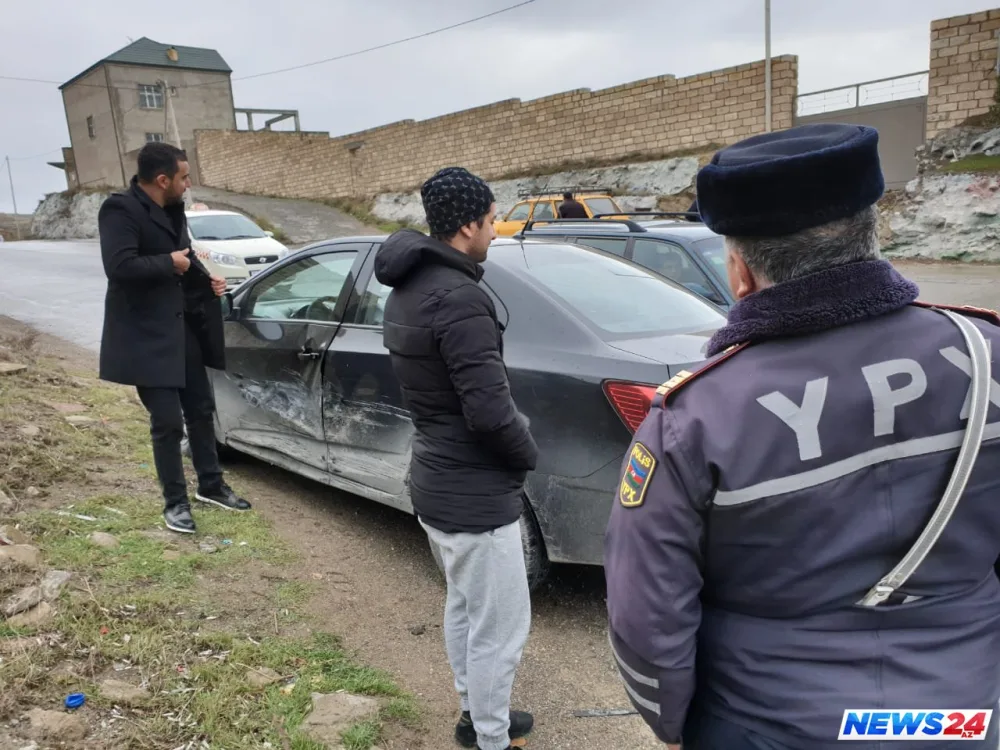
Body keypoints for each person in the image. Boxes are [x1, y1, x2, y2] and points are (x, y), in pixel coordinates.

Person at [604, 122, 1000, 750]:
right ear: (876, 233)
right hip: (962, 718)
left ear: (739, 271)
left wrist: (672, 725)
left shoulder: (696, 418)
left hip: (770, 726)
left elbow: (646, 615)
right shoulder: (986, 353)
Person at [374, 167, 538, 750]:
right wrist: (527, 454)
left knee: (466, 608)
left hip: (436, 478)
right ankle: (490, 739)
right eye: (492, 220)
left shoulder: (409, 287)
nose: (496, 231)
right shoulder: (459, 297)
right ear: (468, 224)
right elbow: (490, 414)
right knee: (500, 628)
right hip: (473, 491)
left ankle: (476, 713)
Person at [98, 142, 251, 535]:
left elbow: (185, 255)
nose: (189, 183)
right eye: (183, 177)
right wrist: (170, 262)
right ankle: (175, 504)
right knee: (167, 423)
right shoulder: (120, 209)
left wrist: (208, 277)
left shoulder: (173, 207)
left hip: (183, 326)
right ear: (162, 179)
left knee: (201, 409)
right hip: (146, 335)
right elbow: (119, 266)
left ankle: (212, 486)